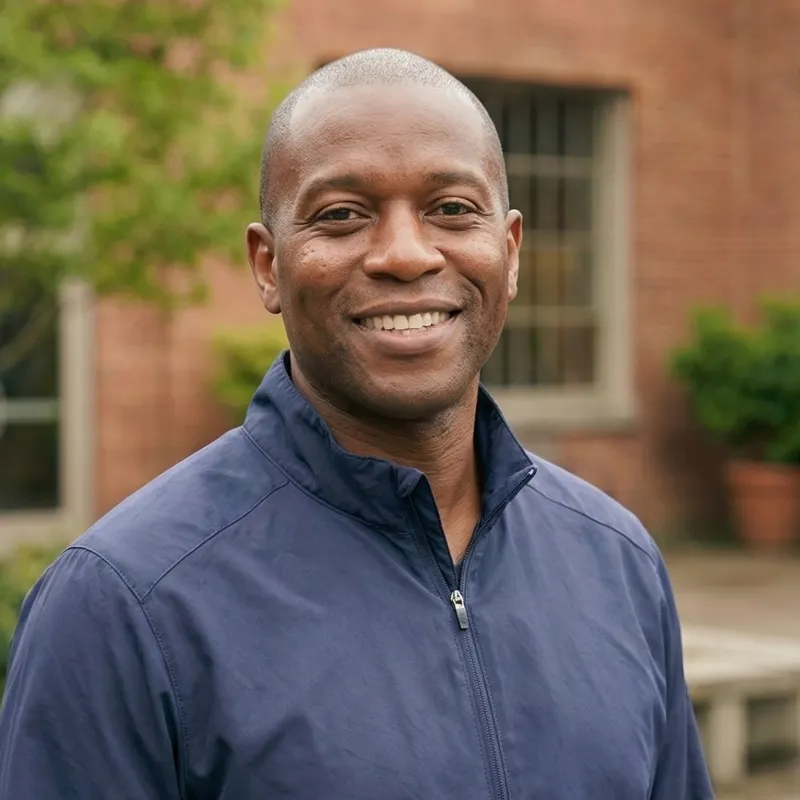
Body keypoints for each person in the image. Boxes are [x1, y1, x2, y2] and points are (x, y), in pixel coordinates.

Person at [0, 48, 713, 799]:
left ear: (508, 253)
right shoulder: (123, 604)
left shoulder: (617, 560)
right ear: (268, 265)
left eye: (451, 209)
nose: (405, 254)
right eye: (341, 215)